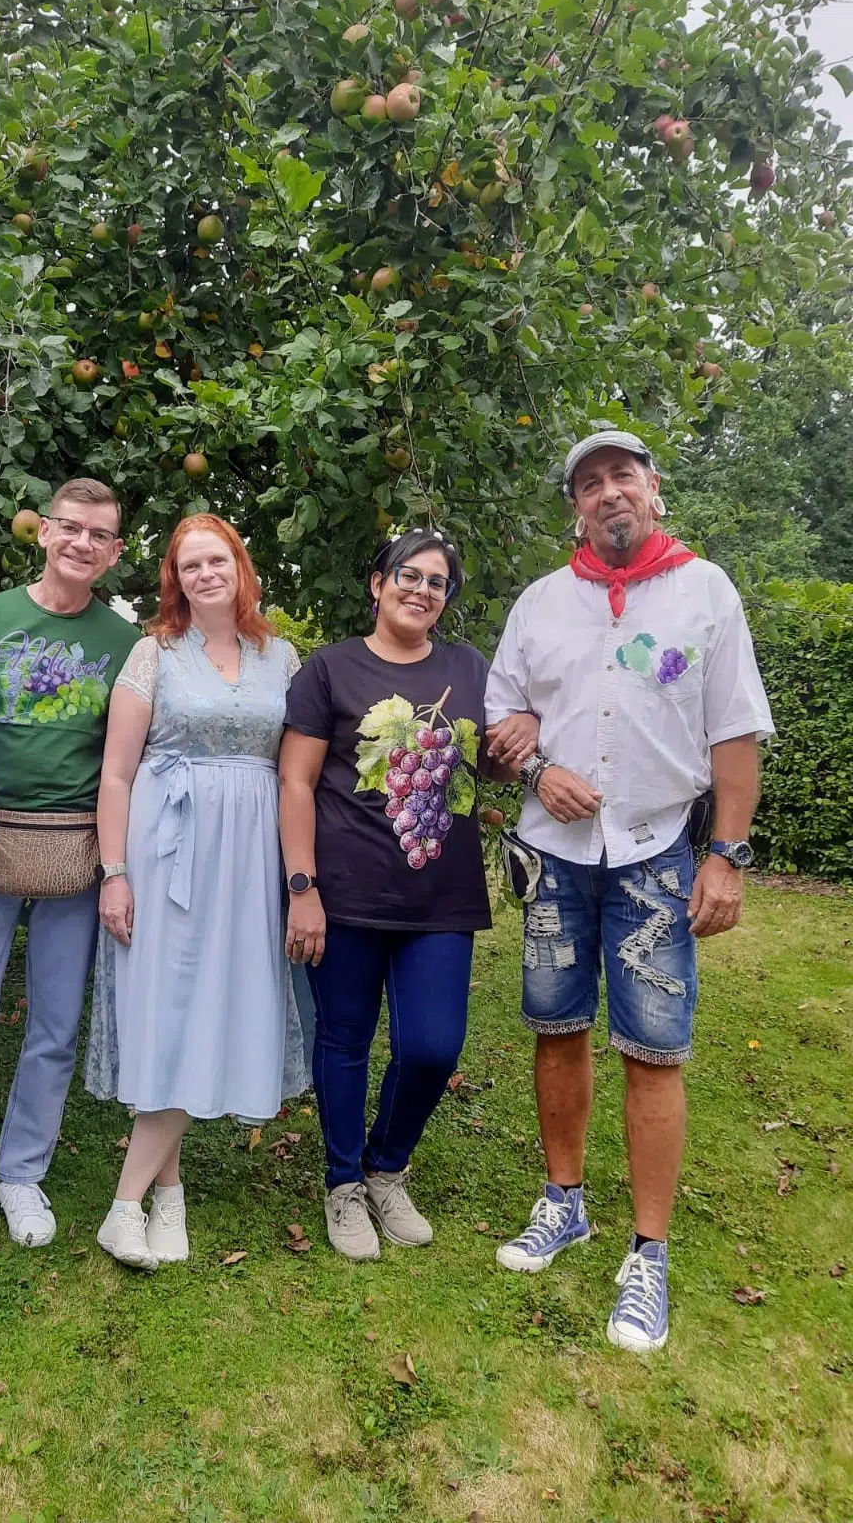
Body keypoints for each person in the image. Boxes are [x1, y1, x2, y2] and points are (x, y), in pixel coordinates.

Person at [484, 429, 774, 1353]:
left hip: (655, 852)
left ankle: (648, 1252)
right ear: (575, 506)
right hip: (554, 854)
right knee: (556, 1029)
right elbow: (501, 717)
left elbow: (734, 731)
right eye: (590, 483)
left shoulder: (706, 592)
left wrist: (726, 855)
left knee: (654, 1049)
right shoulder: (540, 603)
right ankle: (564, 1201)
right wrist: (538, 772)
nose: (608, 492)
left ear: (653, 489)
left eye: (622, 476)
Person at [0, 479, 140, 1257]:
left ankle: (20, 1174)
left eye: (99, 535)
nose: (82, 543)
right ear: (43, 532)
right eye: (70, 528)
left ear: (114, 553)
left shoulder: (126, 643)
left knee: (54, 1025)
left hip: (74, 851)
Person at [85, 514, 308, 1269]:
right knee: (166, 1011)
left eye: (217, 560)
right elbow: (116, 774)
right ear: (175, 581)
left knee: (215, 1002)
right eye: (190, 566)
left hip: (247, 856)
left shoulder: (281, 657)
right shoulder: (153, 653)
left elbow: (299, 768)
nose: (205, 574)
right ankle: (131, 1206)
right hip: (166, 848)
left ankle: (164, 1195)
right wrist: (115, 873)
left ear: (241, 567)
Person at [279, 527, 506, 1262]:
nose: (422, 590)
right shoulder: (329, 669)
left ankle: (387, 1167)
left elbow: (495, 761)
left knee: (434, 1047)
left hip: (441, 896)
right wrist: (302, 887)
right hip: (344, 893)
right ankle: (343, 1182)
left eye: (438, 582)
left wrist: (523, 744)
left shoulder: (470, 669)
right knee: (344, 1040)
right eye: (409, 575)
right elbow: (296, 782)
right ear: (378, 584)